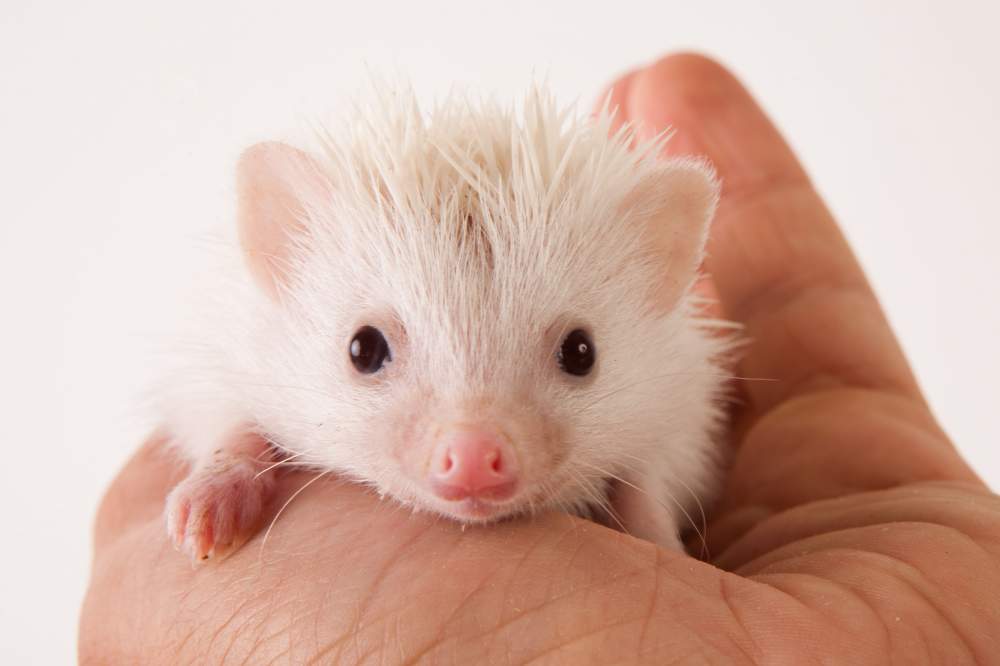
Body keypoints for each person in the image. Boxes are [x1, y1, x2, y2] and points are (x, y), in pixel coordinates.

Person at [79, 54, 1000, 663]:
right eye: (371, 351)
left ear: (662, 271)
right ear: (276, 252)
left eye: (573, 354)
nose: (472, 448)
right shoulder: (246, 347)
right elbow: (216, 396)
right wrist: (234, 462)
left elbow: (665, 453)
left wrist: (658, 542)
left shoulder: (661, 393)